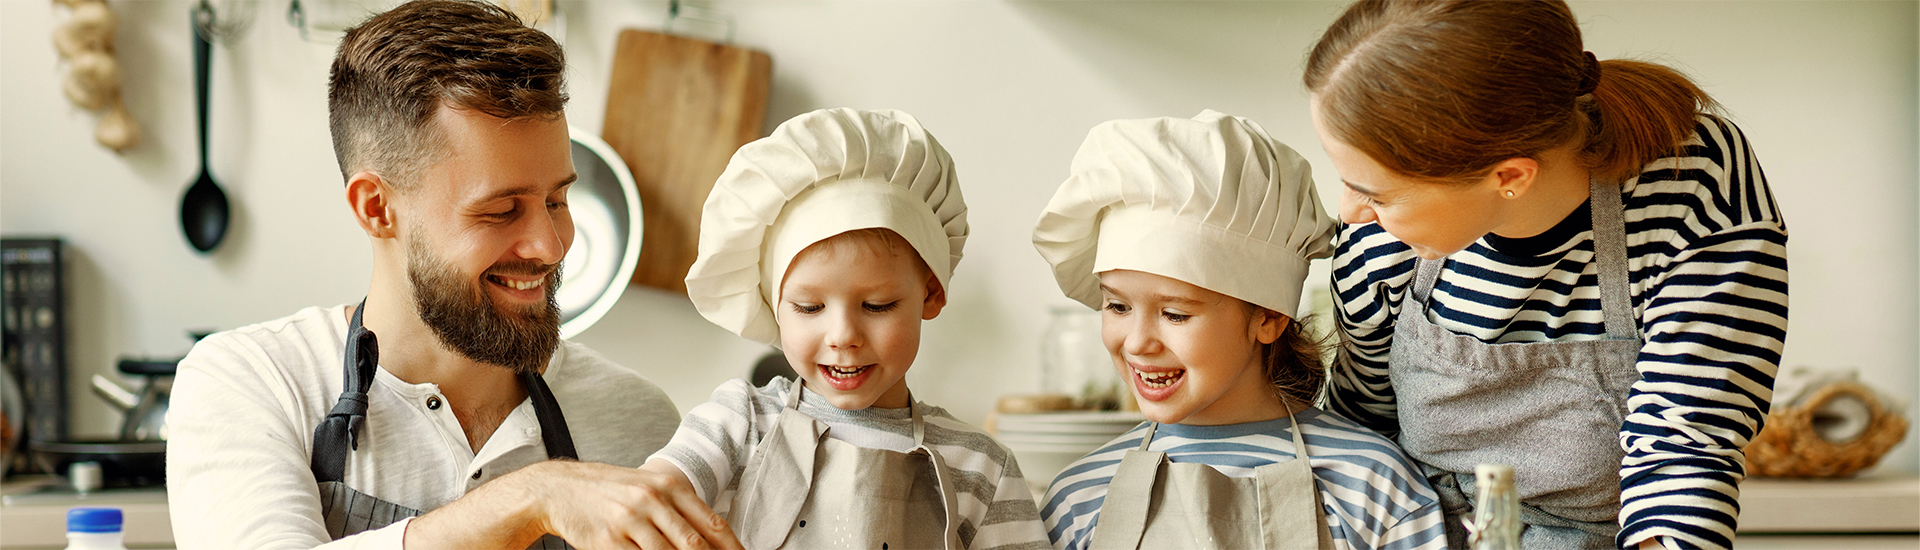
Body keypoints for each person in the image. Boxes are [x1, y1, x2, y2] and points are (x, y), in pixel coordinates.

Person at [165, 2, 740, 548]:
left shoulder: (637, 419)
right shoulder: (254, 384)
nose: (549, 245)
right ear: (376, 208)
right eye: (501, 210)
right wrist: (534, 496)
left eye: (557, 201)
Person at [1304, 1, 1788, 549]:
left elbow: (1685, 444)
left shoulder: (1691, 178)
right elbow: (1362, 426)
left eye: (1376, 193)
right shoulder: (1379, 236)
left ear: (1509, 176)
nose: (1349, 212)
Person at [1033, 111, 1447, 550]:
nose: (1137, 342)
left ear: (1268, 317)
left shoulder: (1373, 486)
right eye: (1118, 306)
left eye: (1174, 314)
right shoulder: (1079, 497)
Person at [645, 108, 1052, 550]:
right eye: (809, 307)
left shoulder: (982, 467)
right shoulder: (738, 424)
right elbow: (645, 503)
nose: (843, 336)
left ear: (931, 294)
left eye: (877, 306)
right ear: (775, 307)